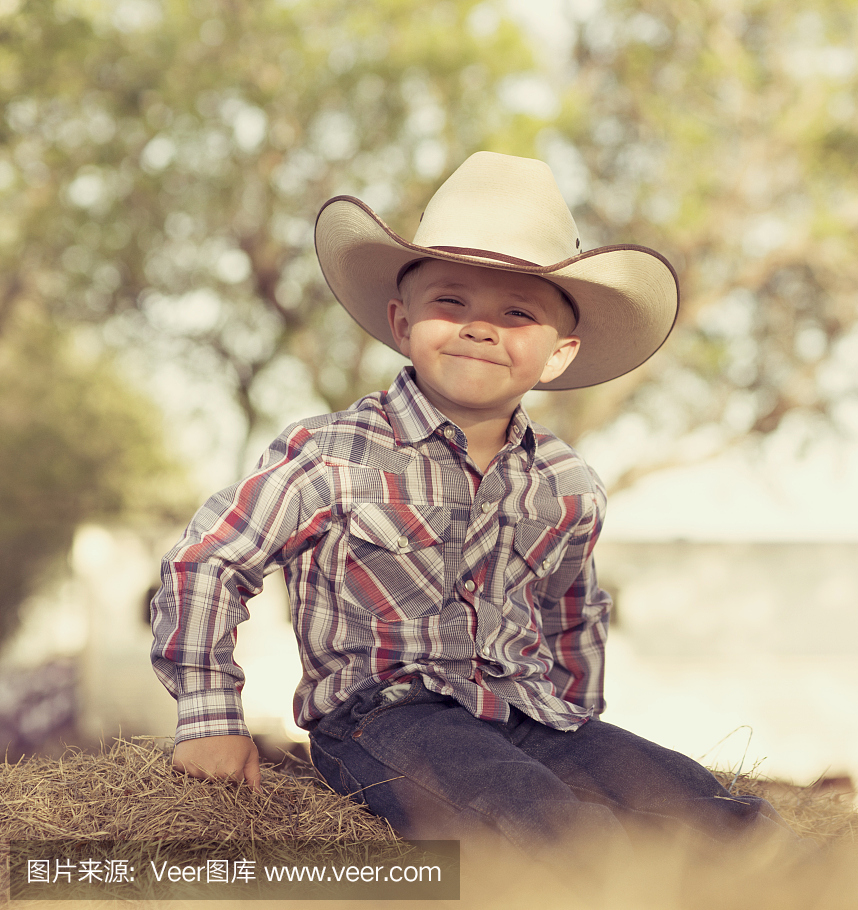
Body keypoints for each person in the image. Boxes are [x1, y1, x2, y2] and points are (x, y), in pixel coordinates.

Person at [150, 152, 799, 870]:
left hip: (530, 714)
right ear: (402, 323)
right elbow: (208, 559)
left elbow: (570, 612)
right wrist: (209, 714)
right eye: (450, 303)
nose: (480, 328)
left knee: (713, 816)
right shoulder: (332, 454)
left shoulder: (567, 483)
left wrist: (580, 730)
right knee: (549, 828)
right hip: (384, 720)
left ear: (558, 354)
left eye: (517, 313)